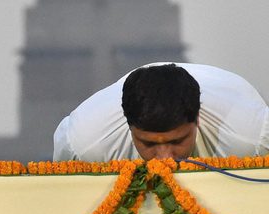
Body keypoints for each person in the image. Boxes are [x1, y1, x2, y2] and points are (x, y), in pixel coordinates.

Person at [53, 63, 269, 161]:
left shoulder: (253, 139)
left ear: (197, 120)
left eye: (177, 141)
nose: (165, 158)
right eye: (149, 144)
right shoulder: (83, 144)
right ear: (129, 126)